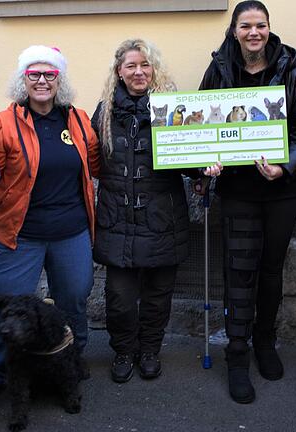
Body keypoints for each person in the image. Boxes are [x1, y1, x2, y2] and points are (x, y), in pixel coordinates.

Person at [199, 0, 296, 404]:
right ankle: (237, 353)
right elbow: (201, 128)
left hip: (279, 191)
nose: (254, 32)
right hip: (236, 191)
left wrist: (284, 168)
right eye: (246, 25)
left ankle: (265, 342)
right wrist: (206, 164)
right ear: (234, 30)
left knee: (270, 270)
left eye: (261, 25)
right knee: (239, 271)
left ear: (269, 29)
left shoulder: (291, 71)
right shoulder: (218, 71)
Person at [0, 45, 101, 406]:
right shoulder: (4, 122)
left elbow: (95, 163)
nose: (42, 81)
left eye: (49, 74)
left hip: (71, 231)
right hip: (20, 234)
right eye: (34, 74)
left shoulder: (77, 119)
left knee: (74, 301)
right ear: (23, 79)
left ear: (59, 80)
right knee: (2, 307)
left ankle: (71, 358)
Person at [91, 39, 222, 383]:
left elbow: (191, 158)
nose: (138, 72)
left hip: (161, 218)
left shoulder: (173, 109)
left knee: (157, 296)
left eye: (145, 65)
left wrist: (204, 170)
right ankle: (122, 350)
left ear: (154, 70)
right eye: (131, 65)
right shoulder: (103, 112)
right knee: (118, 297)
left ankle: (149, 350)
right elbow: (89, 161)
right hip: (117, 219)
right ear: (119, 71)